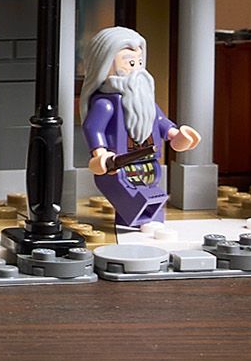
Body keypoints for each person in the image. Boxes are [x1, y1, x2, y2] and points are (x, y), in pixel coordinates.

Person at [79, 26, 200, 230]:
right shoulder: (106, 103)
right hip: (119, 165)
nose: (138, 70)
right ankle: (135, 218)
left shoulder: (143, 100)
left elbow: (159, 120)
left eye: (140, 62)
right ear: (105, 65)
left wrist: (175, 135)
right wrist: (100, 153)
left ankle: (150, 217)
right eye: (131, 63)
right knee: (129, 196)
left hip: (148, 162)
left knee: (152, 190)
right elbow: (94, 128)